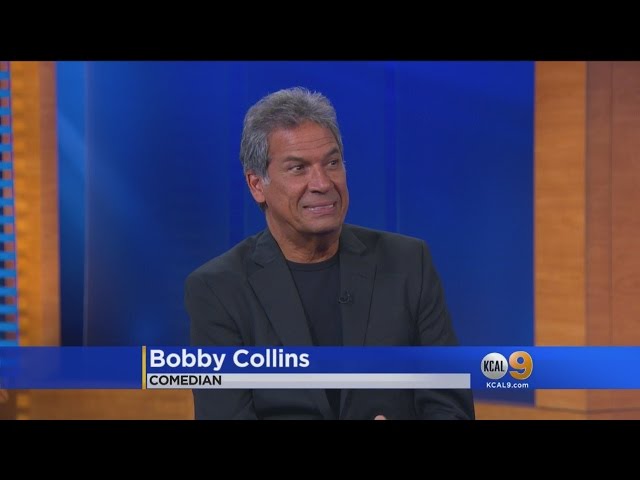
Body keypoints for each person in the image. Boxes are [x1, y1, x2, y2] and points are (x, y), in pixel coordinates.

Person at [185, 87, 475, 420]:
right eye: (298, 168)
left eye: (332, 163)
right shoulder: (218, 289)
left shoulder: (409, 263)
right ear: (256, 185)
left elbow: (451, 406)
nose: (322, 183)